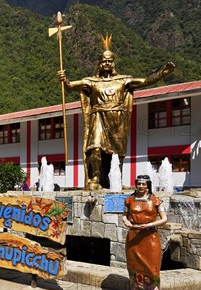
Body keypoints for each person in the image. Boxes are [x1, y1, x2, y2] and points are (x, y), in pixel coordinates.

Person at [57, 34, 175, 190]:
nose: (106, 63)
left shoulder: (123, 80)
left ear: (113, 63)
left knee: (117, 154)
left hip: (117, 119)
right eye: (104, 61)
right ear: (99, 64)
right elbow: (71, 85)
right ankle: (95, 178)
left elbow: (145, 81)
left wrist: (163, 73)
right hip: (98, 116)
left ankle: (116, 178)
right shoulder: (91, 81)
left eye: (109, 61)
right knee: (95, 147)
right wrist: (64, 79)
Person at [121, 174, 168, 290]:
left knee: (152, 270)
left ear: (148, 185)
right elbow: (124, 215)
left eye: (144, 184)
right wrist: (127, 222)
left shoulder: (156, 201)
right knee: (133, 268)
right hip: (133, 237)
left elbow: (164, 219)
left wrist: (149, 225)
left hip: (150, 237)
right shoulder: (129, 200)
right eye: (139, 184)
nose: (141, 186)